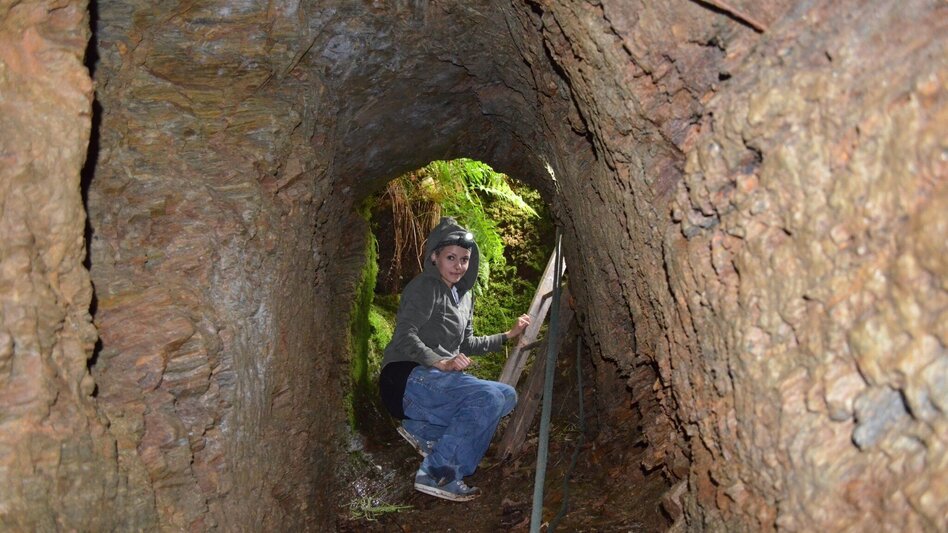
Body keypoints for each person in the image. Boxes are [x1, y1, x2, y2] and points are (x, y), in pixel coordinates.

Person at [379, 217, 531, 501]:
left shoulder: (464, 297)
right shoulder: (425, 286)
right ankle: (439, 472)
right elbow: (404, 335)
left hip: (435, 381)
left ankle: (424, 432)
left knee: (506, 395)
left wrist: (509, 335)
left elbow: (467, 343)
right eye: (451, 257)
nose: (458, 265)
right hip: (405, 378)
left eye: (464, 259)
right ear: (435, 257)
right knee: (487, 397)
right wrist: (441, 361)